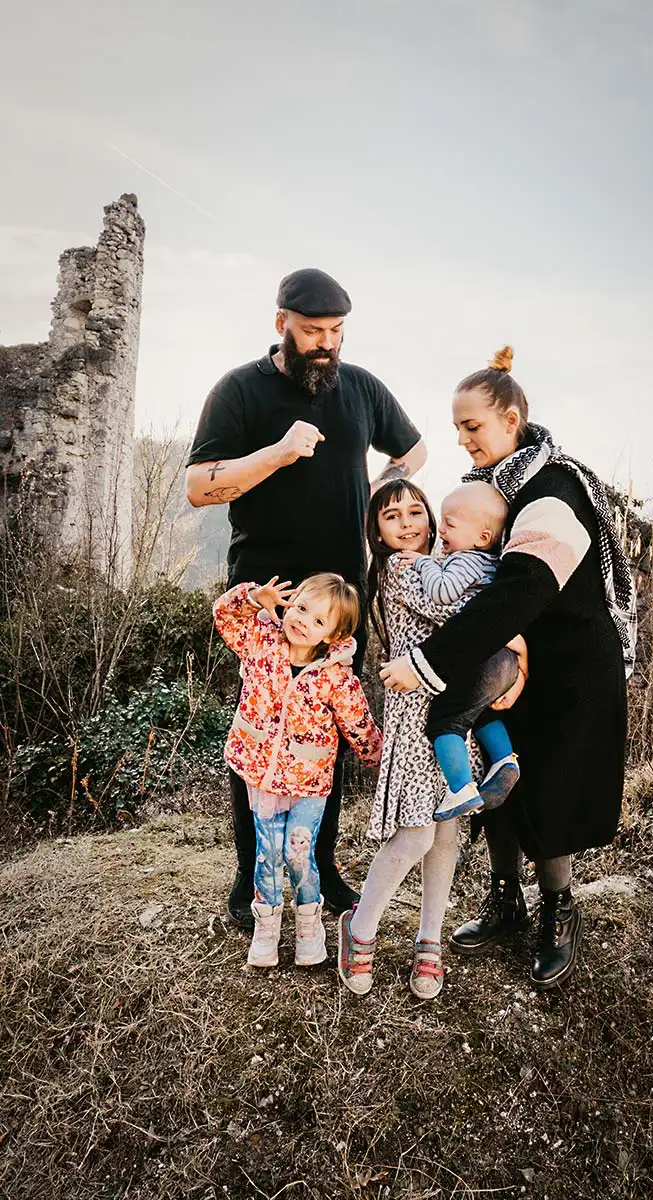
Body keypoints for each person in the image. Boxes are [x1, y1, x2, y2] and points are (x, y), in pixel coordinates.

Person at [380, 346, 635, 990]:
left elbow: (518, 591)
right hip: (511, 656)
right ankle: (505, 902)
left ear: (512, 419)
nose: (462, 440)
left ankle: (557, 912)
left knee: (549, 792)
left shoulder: (552, 489)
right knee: (500, 784)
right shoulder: (502, 488)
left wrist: (429, 660)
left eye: (473, 426)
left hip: (572, 665)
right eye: (458, 427)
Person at [186, 268, 425, 924]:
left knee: (332, 733)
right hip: (269, 605)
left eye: (336, 333)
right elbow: (199, 487)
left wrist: (382, 492)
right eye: (314, 331)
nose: (326, 344)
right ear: (281, 324)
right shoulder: (239, 390)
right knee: (262, 729)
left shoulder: (363, 388)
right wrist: (277, 454)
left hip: (340, 605)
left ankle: (320, 868)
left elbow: (415, 450)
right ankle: (250, 878)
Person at [336, 480, 522, 1000]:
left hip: (453, 707)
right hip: (417, 714)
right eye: (392, 516)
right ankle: (361, 926)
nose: (408, 523)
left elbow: (472, 615)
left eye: (416, 511)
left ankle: (429, 938)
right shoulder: (400, 569)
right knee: (417, 831)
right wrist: (514, 630)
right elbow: (458, 618)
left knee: (446, 829)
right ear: (377, 530)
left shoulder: (445, 562)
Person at [213, 572, 383, 969]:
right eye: (302, 608)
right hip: (261, 775)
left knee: (298, 852)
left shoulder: (335, 676)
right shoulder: (260, 640)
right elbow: (224, 615)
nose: (303, 621)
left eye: (318, 620)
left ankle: (309, 922)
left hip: (308, 781)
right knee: (267, 853)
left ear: (331, 635)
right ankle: (267, 925)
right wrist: (255, 596)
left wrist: (383, 764)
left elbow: (359, 725)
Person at [401, 481, 526, 820]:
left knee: (446, 720)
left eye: (450, 524)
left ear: (482, 537)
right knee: (481, 710)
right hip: (507, 660)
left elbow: (442, 592)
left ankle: (460, 790)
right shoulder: (493, 564)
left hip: (482, 654)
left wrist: (423, 563)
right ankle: (503, 760)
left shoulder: (466, 560)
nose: (440, 529)